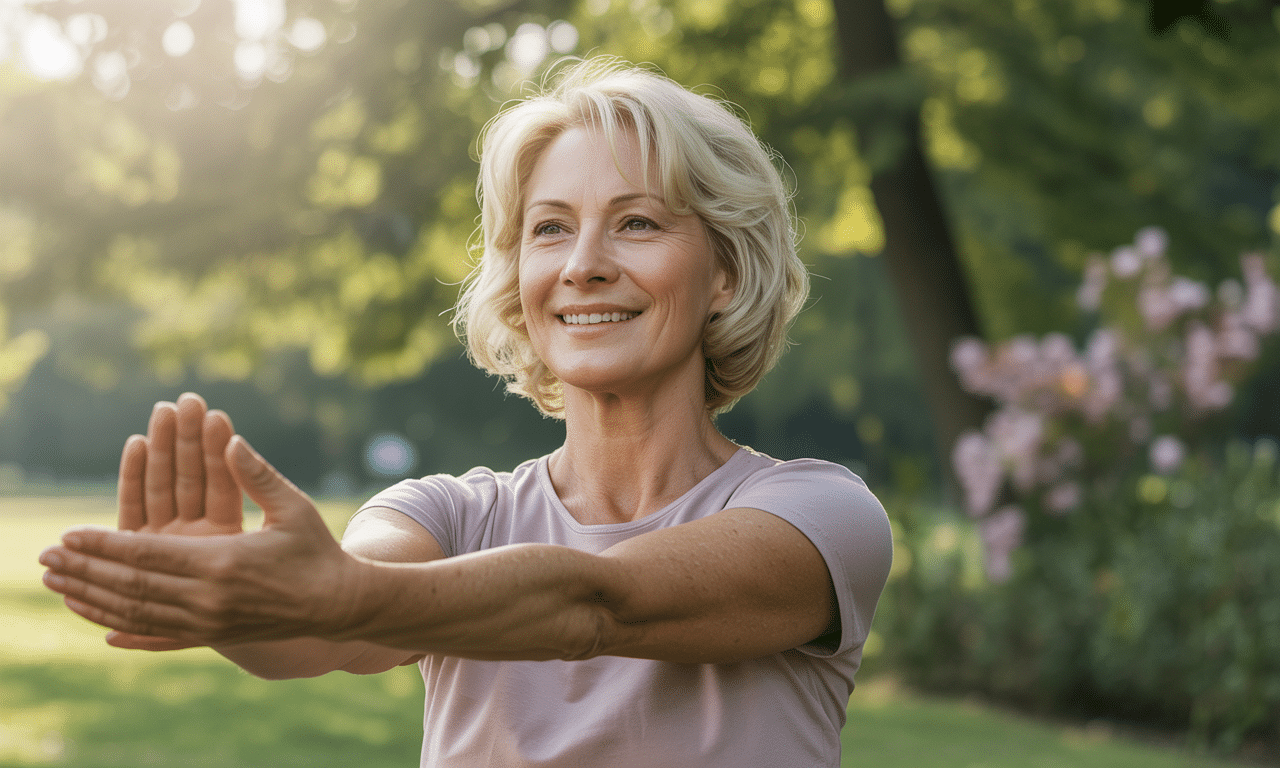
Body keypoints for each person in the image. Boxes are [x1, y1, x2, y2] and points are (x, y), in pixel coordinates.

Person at [39, 57, 893, 767]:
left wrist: (336, 597)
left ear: (726, 275)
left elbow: (600, 604)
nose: (584, 265)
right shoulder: (446, 513)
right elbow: (338, 634)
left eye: (636, 223)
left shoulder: (819, 517)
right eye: (550, 230)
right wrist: (233, 600)